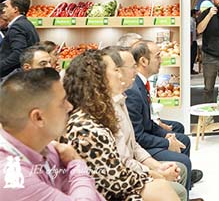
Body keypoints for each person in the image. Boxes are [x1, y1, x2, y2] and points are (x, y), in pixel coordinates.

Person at [61, 50, 179, 201]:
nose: (120, 75)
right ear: (98, 79)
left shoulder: (103, 110)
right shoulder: (86, 127)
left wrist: (157, 171)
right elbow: (118, 177)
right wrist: (158, 175)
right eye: (115, 70)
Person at [0, 68, 104, 200]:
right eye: (62, 103)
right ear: (38, 117)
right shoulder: (11, 176)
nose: (70, 106)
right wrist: (77, 163)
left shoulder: (46, 147)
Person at [105, 46, 194, 201]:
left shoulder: (122, 97)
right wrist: (156, 170)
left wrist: (167, 138)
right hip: (128, 174)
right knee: (182, 165)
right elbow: (127, 154)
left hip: (136, 159)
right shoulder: (127, 95)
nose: (135, 71)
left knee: (180, 136)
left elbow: (136, 138)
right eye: (132, 66)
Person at [126, 40, 203, 191]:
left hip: (144, 136)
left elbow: (147, 121)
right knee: (182, 160)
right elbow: (138, 137)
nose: (161, 60)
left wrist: (167, 135)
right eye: (158, 56)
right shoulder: (133, 90)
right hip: (139, 147)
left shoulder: (141, 84)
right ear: (144, 61)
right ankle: (180, 187)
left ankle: (183, 182)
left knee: (182, 138)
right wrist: (167, 142)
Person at [0, 0, 40, 77]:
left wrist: (1, 65)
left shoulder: (18, 26)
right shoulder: (26, 23)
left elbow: (18, 53)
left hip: (14, 75)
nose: (3, 10)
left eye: (6, 7)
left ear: (15, 9)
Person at [191, 9, 199, 75]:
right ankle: (190, 69)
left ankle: (191, 68)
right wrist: (190, 41)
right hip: (192, 41)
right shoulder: (191, 20)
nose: (197, 15)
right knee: (192, 55)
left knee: (194, 55)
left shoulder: (193, 20)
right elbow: (190, 31)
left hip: (194, 40)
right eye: (196, 14)